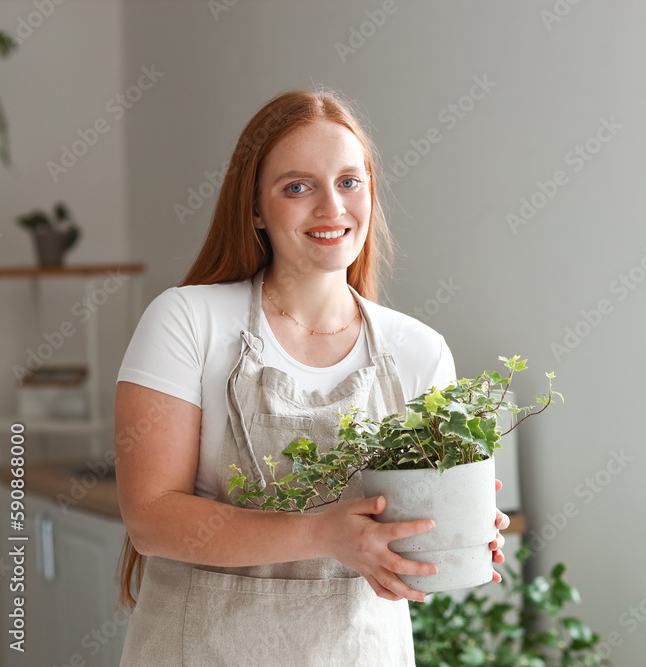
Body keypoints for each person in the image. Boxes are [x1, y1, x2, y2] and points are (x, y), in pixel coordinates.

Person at [113, 88, 509, 666]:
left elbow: (413, 547)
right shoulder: (187, 321)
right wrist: (324, 533)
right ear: (254, 208)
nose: (332, 208)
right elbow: (150, 518)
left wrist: (457, 529)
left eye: (349, 182)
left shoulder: (420, 352)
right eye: (298, 187)